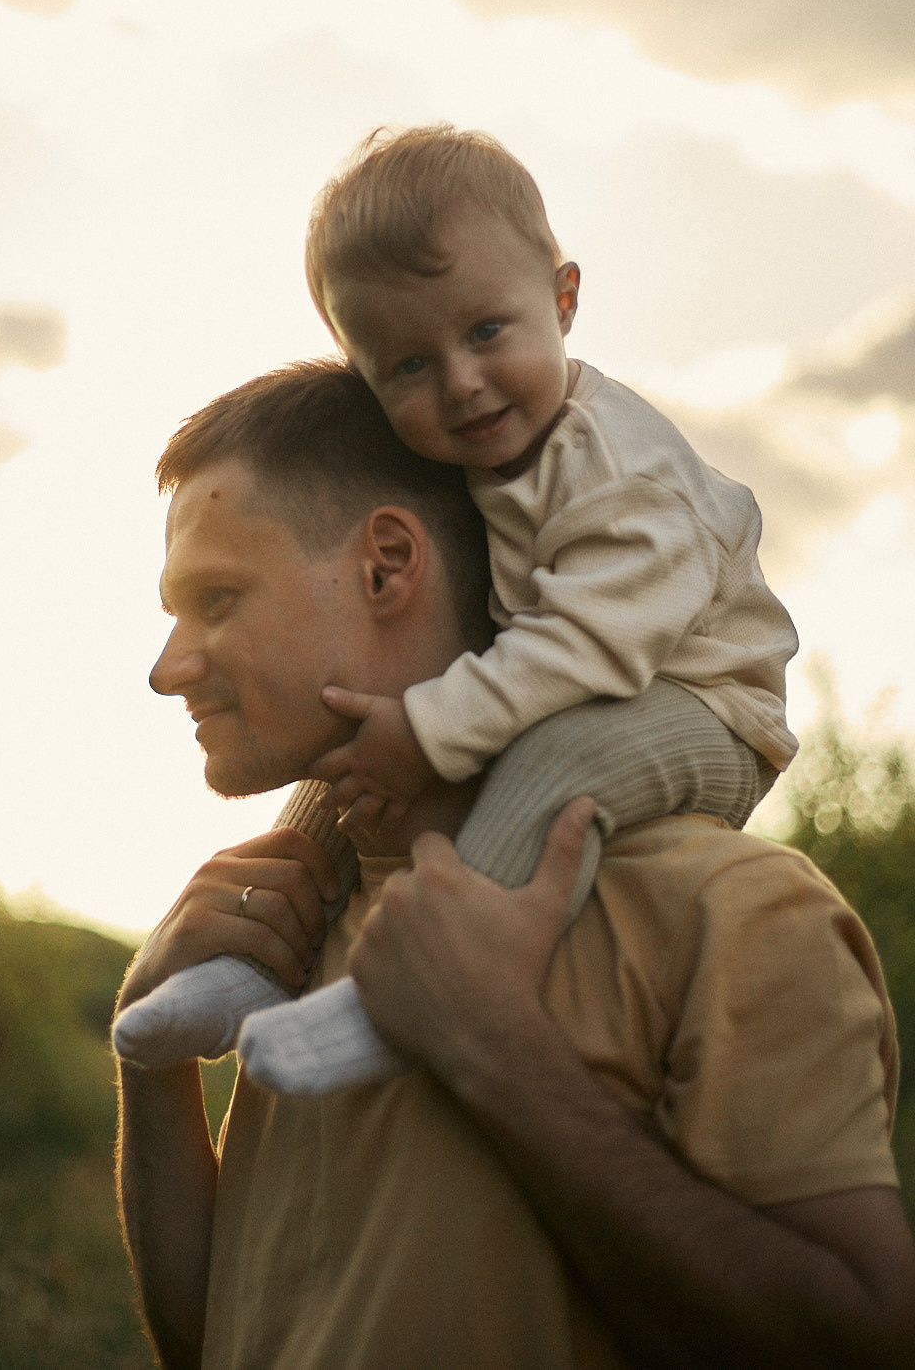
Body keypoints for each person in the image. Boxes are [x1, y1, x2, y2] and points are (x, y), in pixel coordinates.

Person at [114, 360, 913, 1369]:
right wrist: (155, 1062)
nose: (167, 667)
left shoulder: (731, 911)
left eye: (215, 599)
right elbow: (213, 1337)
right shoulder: (298, 925)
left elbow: (863, 1341)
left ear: (389, 564)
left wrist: (496, 1047)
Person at [115, 125, 798, 1096]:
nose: (461, 382)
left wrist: (431, 726)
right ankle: (247, 969)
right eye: (406, 367)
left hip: (695, 702)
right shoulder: (486, 459)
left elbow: (589, 648)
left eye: (485, 332)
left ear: (563, 299)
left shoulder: (624, 470)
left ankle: (402, 1000)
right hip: (573, 678)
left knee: (554, 760)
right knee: (338, 779)